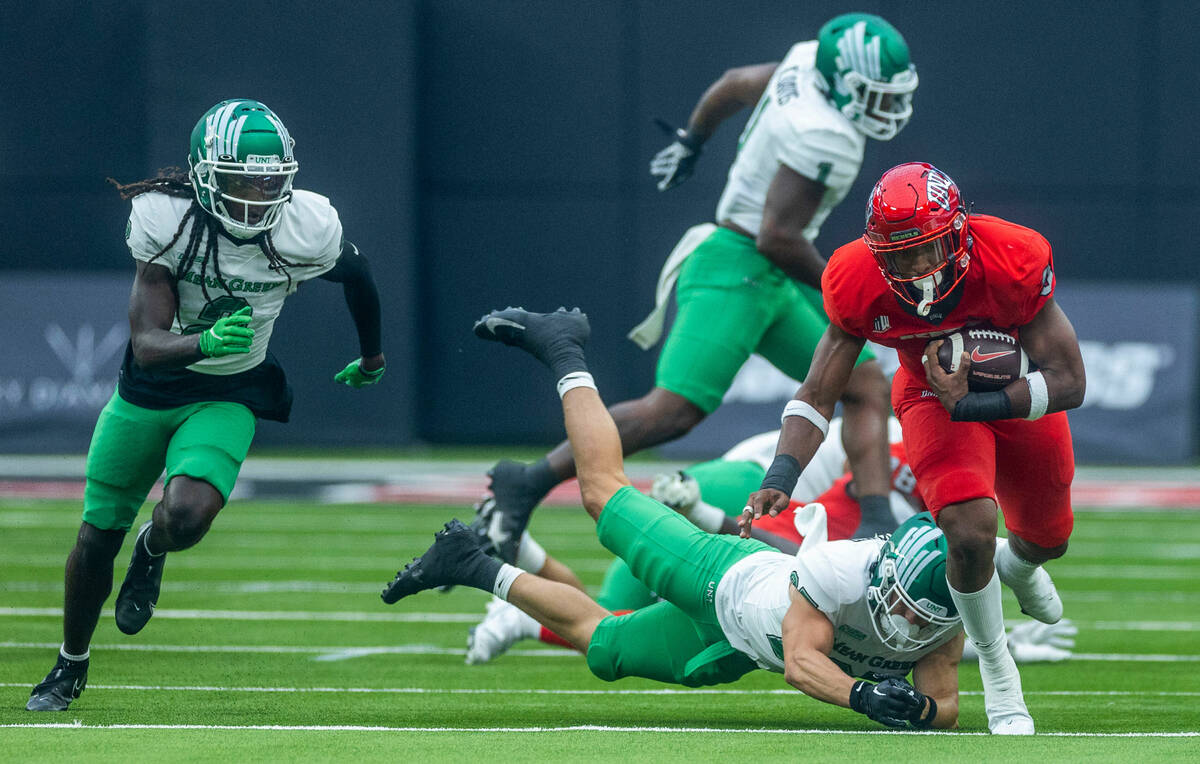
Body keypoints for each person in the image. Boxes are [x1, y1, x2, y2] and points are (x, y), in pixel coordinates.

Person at [473, 12, 923, 562]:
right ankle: (529, 480)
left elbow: (732, 84)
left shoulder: (806, 64)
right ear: (841, 82)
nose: (885, 108)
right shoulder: (825, 134)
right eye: (873, 95)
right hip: (740, 265)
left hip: (763, 270)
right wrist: (855, 286)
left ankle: (873, 521)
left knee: (864, 385)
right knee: (673, 411)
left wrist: (693, 139)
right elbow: (777, 238)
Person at [385, 306, 965, 731]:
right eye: (901, 602)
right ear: (883, 572)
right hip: (722, 575)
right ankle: (562, 347)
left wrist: (920, 710)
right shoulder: (843, 570)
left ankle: (471, 563)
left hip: (737, 645)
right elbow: (801, 663)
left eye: (920, 616)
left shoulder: (946, 616)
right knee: (601, 494)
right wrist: (866, 697)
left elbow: (947, 708)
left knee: (606, 649)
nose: (905, 621)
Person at [26, 99, 387, 712]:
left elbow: (358, 275)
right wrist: (203, 341)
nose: (258, 191)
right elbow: (145, 347)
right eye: (242, 177)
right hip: (152, 389)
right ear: (203, 176)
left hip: (231, 389)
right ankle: (70, 665)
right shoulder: (166, 219)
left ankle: (154, 546)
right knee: (95, 535)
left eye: (272, 178)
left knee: (187, 517)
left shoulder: (307, 226)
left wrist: (372, 355)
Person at [743, 162, 1086, 735]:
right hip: (928, 391)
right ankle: (1001, 674)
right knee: (968, 526)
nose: (916, 267)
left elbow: (1071, 381)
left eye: (926, 250)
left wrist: (974, 403)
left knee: (1048, 538)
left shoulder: (1012, 258)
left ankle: (1018, 564)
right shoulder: (857, 277)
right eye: (898, 255)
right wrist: (783, 471)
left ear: (958, 232)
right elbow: (819, 390)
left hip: (1015, 390)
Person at [465, 417, 1075, 668]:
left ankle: (514, 568)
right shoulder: (907, 453)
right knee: (622, 615)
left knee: (614, 619)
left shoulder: (932, 472)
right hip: (748, 497)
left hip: (759, 498)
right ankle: (513, 595)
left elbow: (934, 594)